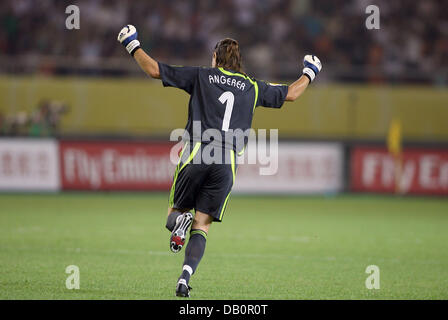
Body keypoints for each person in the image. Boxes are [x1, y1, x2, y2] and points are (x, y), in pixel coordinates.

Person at [117, 25, 322, 297]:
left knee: (175, 216)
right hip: (226, 162)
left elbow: (154, 70)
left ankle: (180, 223)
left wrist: (131, 44)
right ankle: (184, 278)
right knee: (202, 226)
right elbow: (291, 94)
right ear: (239, 62)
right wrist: (310, 72)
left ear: (215, 57)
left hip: (198, 151)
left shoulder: (202, 76)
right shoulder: (252, 87)